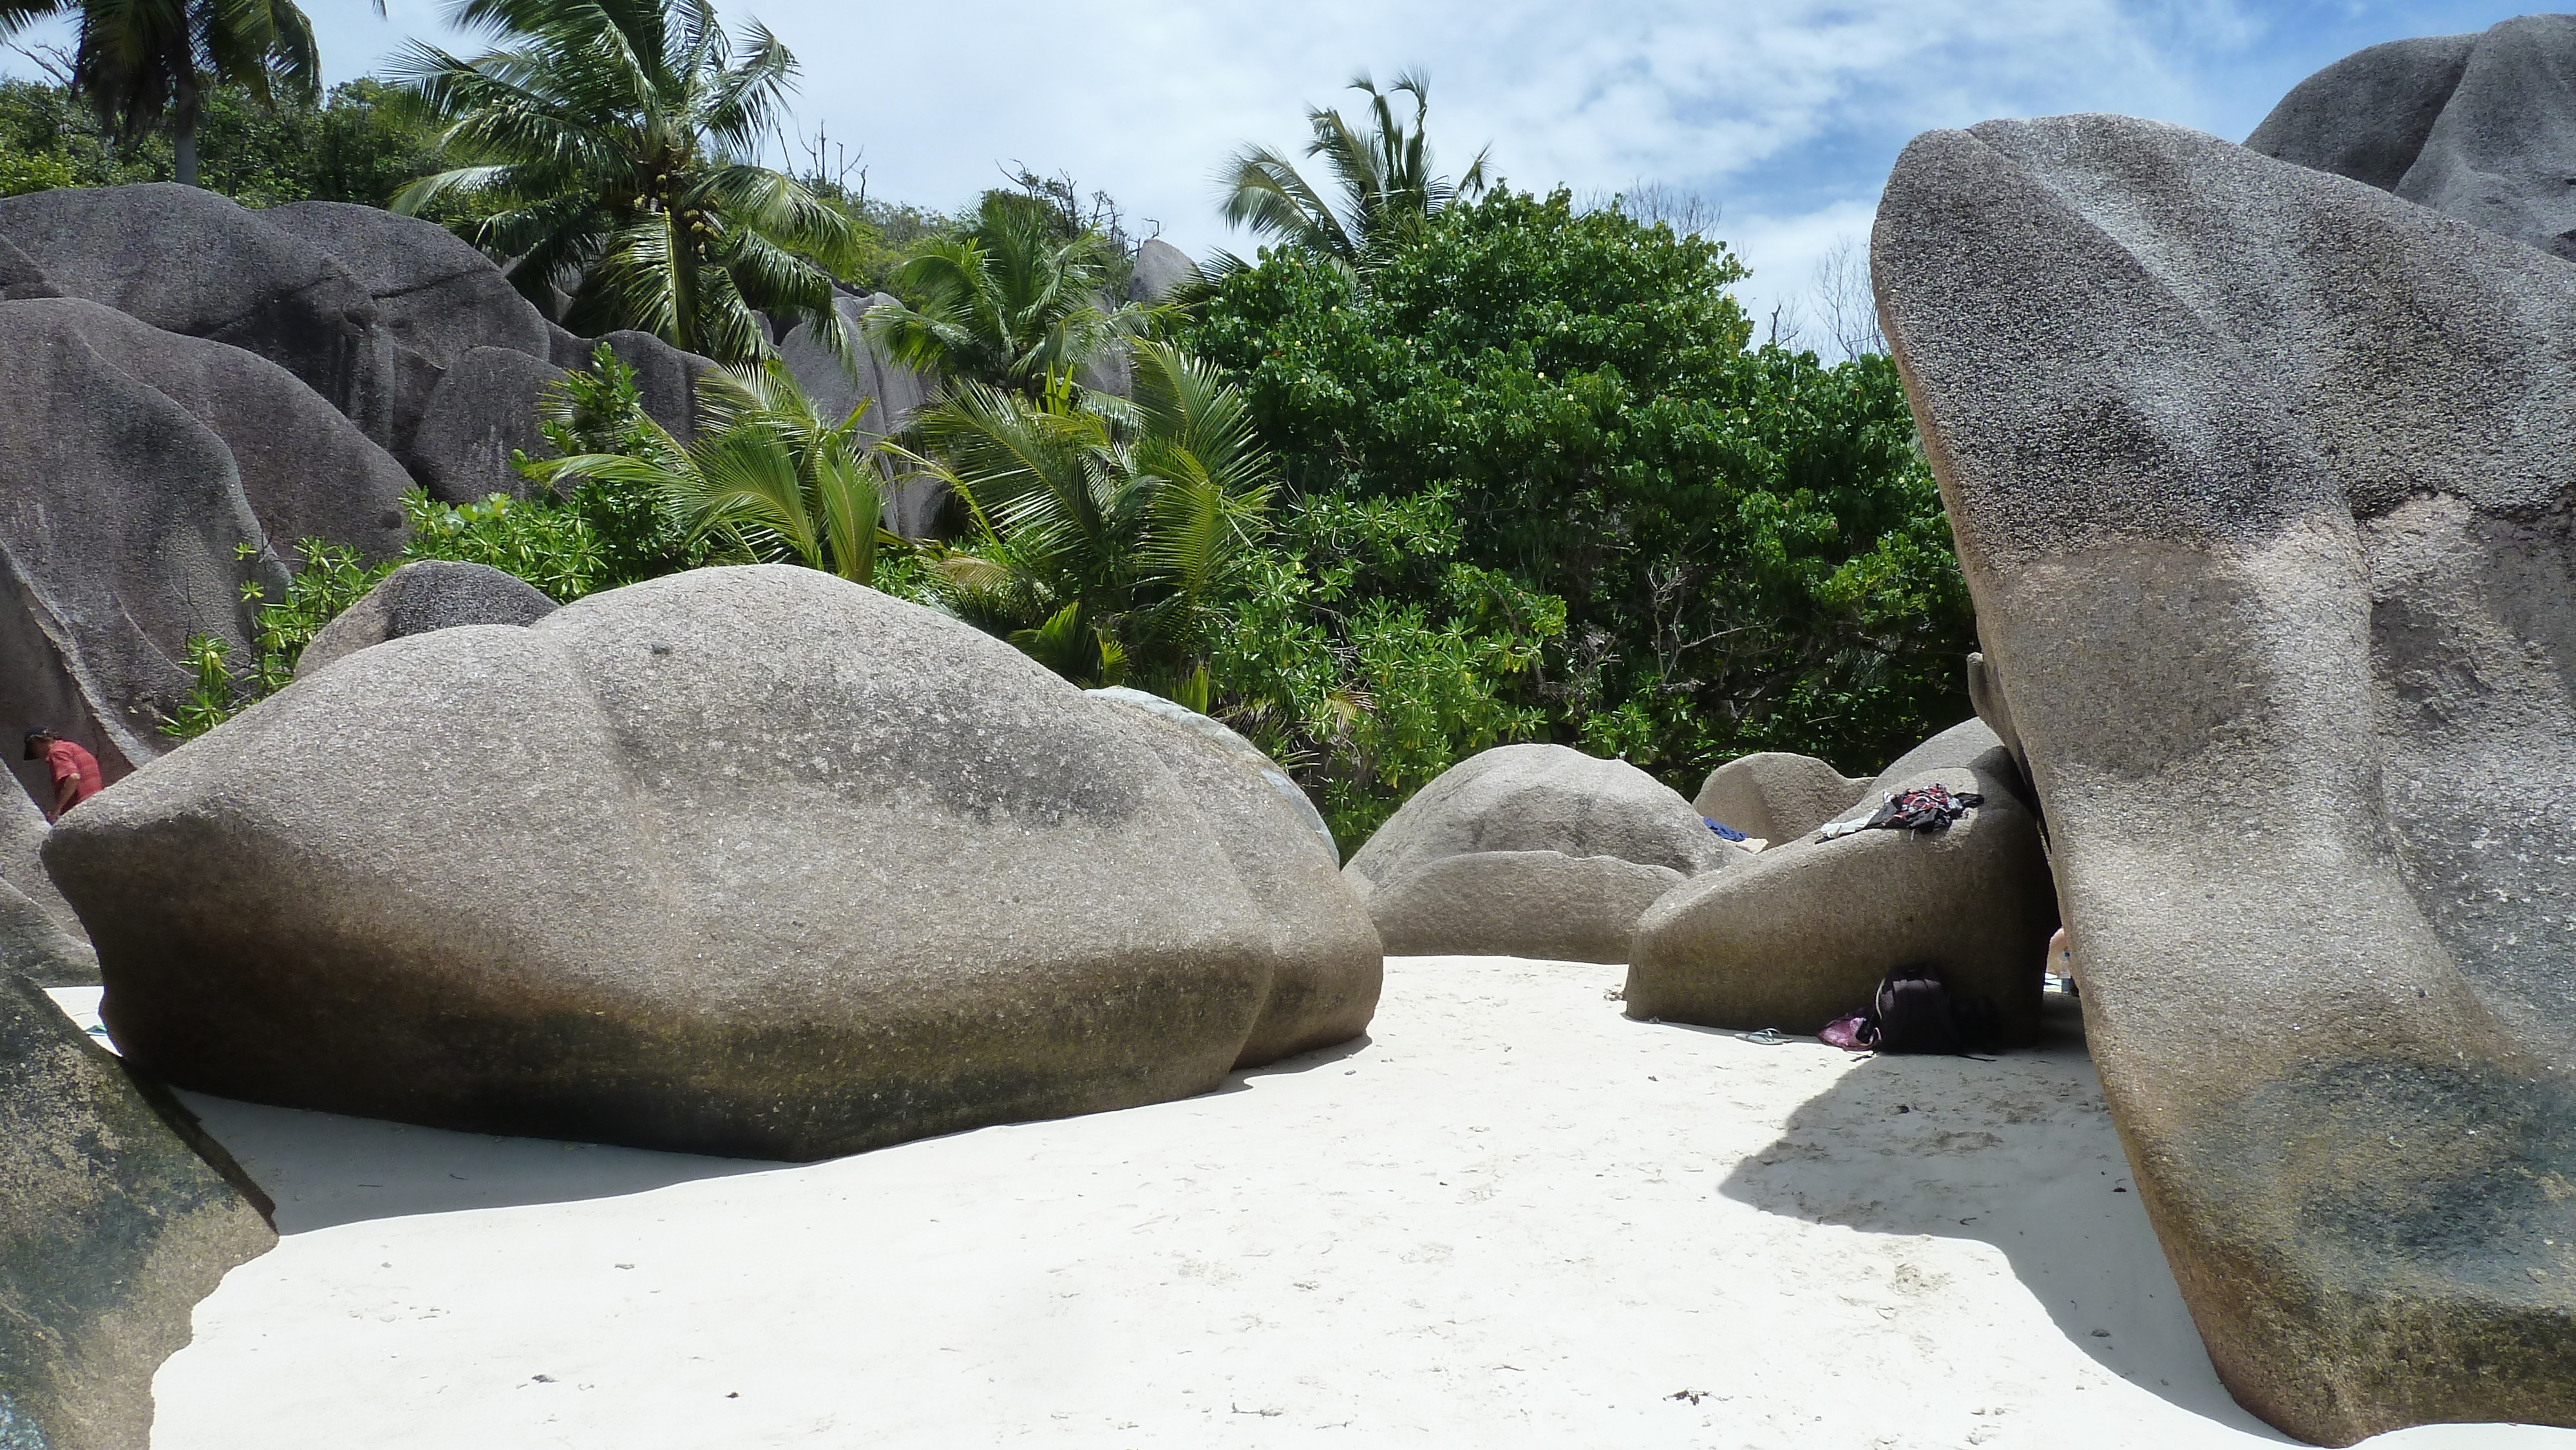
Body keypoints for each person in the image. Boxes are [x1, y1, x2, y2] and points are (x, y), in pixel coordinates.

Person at [25, 730, 102, 822]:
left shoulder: (56, 752)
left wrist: (56, 811)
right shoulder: (72, 747)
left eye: (33, 750)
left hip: (82, 812)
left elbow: (73, 778)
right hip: (97, 804)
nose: (38, 755)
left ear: (36, 743)